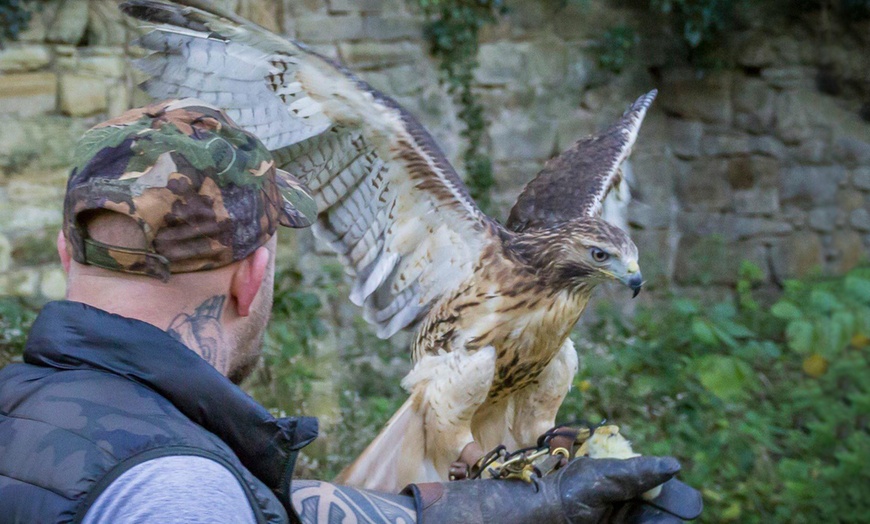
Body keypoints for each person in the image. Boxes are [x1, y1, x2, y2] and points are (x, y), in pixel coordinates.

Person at [0, 99, 701, 523]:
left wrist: (500, 509)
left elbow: (264, 511)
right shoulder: (179, 484)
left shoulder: (26, 412)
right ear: (253, 276)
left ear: (68, 253)